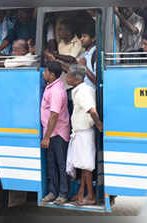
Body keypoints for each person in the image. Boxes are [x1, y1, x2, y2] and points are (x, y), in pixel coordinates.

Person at [65, 64, 103, 206]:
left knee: (86, 166)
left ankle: (91, 196)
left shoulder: (82, 92)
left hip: (84, 133)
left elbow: (92, 110)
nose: (66, 78)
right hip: (81, 133)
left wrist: (99, 124)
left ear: (75, 79)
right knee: (82, 165)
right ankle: (81, 193)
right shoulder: (83, 89)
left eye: (68, 75)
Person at [40, 61, 71, 205]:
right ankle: (53, 192)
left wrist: (46, 137)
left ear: (52, 75)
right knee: (51, 163)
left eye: (45, 71)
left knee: (61, 164)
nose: (43, 73)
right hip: (51, 132)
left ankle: (63, 194)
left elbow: (54, 115)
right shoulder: (51, 86)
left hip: (57, 133)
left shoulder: (57, 91)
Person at [77, 22, 97, 89]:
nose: (81, 39)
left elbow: (97, 81)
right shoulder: (84, 54)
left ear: (93, 38)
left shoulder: (96, 54)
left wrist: (84, 67)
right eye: (81, 36)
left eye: (84, 36)